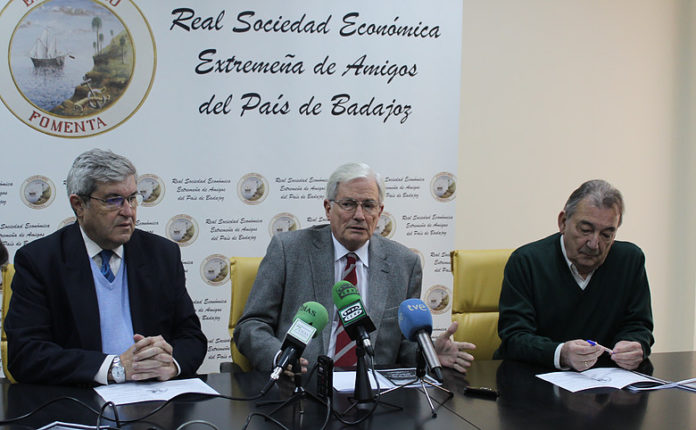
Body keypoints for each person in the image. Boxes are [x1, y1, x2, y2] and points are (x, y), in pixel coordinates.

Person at [235, 162, 475, 374]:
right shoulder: (289, 251)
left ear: (379, 212)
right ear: (328, 208)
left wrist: (429, 353)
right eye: (348, 204)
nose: (359, 215)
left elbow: (403, 347)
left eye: (369, 205)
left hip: (373, 394)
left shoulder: (403, 263)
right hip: (302, 387)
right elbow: (251, 325)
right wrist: (280, 357)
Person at [5, 149, 206, 385]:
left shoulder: (162, 254)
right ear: (78, 205)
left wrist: (170, 364)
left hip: (152, 401)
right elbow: (25, 355)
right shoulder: (39, 261)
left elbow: (191, 337)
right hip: (79, 402)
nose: (128, 211)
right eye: (113, 200)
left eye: (132, 198)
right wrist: (114, 368)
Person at [495, 179, 654, 371]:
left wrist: (634, 345)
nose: (594, 243)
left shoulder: (630, 261)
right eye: (585, 230)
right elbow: (514, 337)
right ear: (563, 222)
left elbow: (639, 325)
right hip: (531, 378)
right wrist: (561, 353)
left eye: (606, 235)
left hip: (604, 384)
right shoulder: (526, 262)